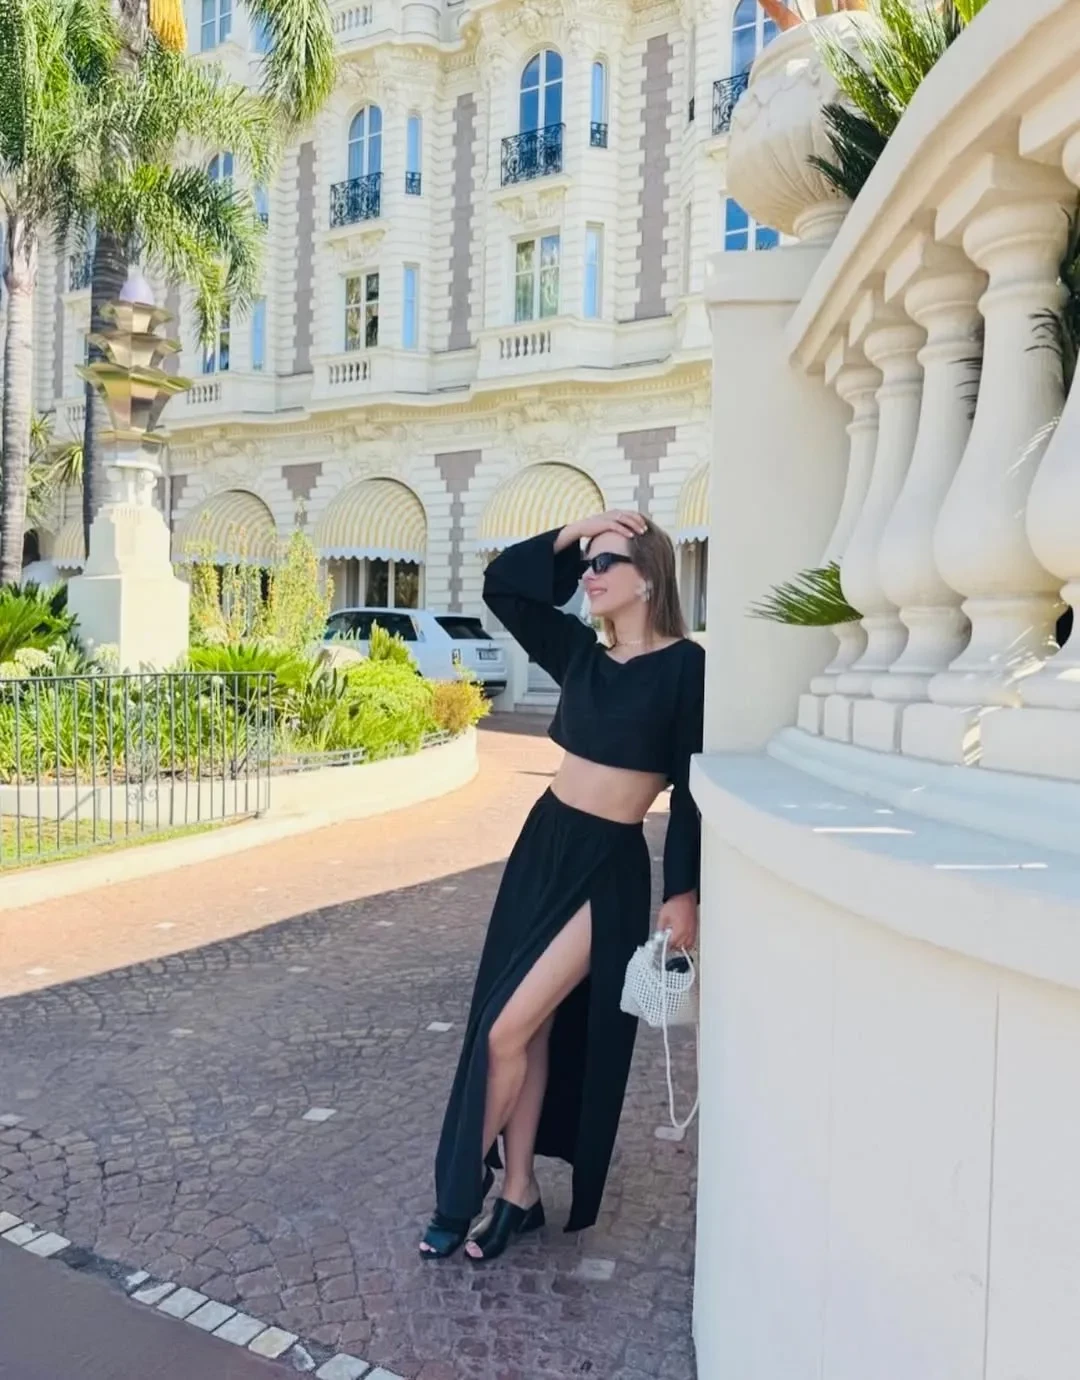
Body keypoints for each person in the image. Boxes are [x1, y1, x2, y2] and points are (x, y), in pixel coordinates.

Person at [419, 510, 704, 1263]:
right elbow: (503, 586)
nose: (589, 574)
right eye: (586, 562)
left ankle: (457, 1194)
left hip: (607, 867)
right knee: (531, 1026)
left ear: (649, 577)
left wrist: (683, 892)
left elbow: (691, 792)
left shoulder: (688, 668)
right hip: (542, 847)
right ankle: (518, 1192)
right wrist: (577, 528)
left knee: (505, 1029)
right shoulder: (580, 653)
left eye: (606, 562)